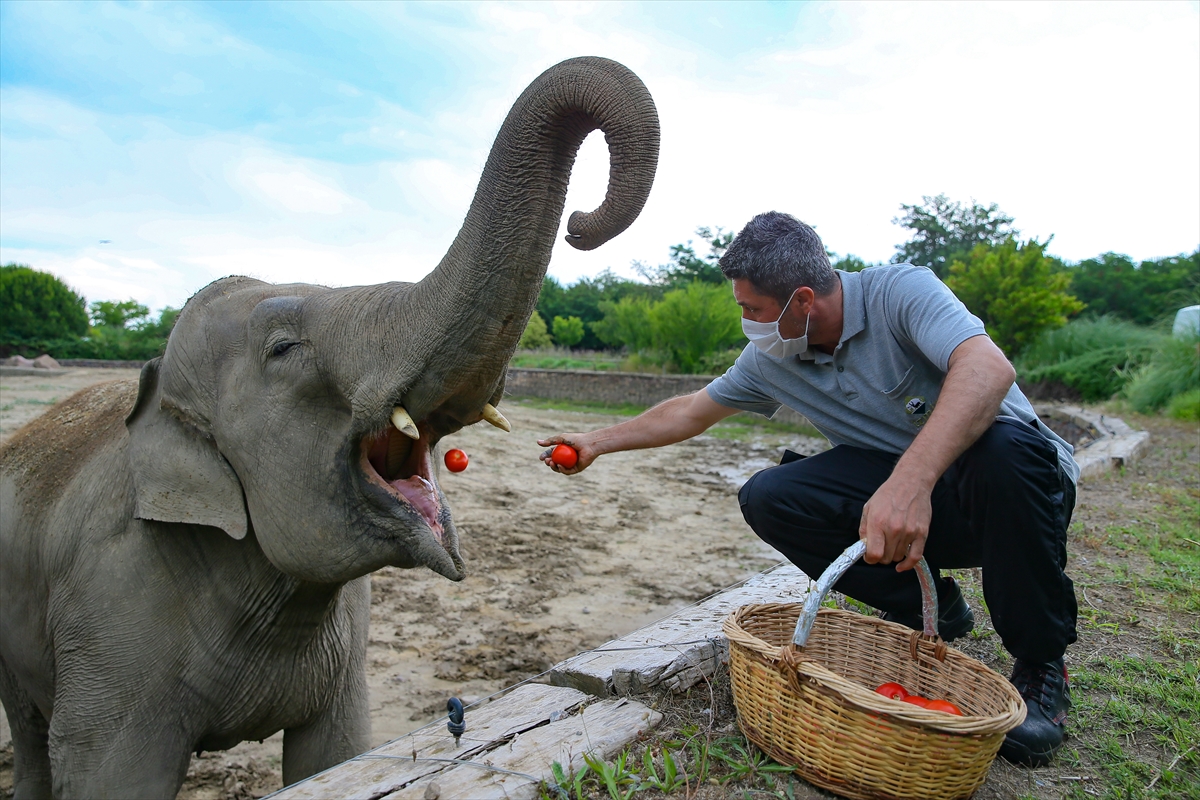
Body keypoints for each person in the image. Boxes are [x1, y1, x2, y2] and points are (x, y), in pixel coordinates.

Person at [538, 211, 1078, 767]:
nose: (747, 322)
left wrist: (911, 481)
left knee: (1001, 449)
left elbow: (988, 368)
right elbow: (691, 412)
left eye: (752, 310)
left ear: (801, 301)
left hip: (1018, 493)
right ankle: (932, 605)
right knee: (771, 496)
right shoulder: (775, 357)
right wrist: (598, 440)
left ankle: (1040, 666)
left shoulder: (900, 292)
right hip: (913, 506)